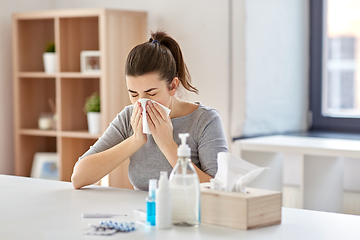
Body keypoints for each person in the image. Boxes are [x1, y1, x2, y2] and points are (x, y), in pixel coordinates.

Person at [71, 31, 228, 190]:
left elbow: (219, 189)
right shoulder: (128, 117)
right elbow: (78, 178)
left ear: (173, 86)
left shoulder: (205, 120)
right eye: (133, 94)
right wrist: (135, 140)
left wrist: (168, 144)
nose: (141, 102)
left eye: (151, 94)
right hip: (142, 213)